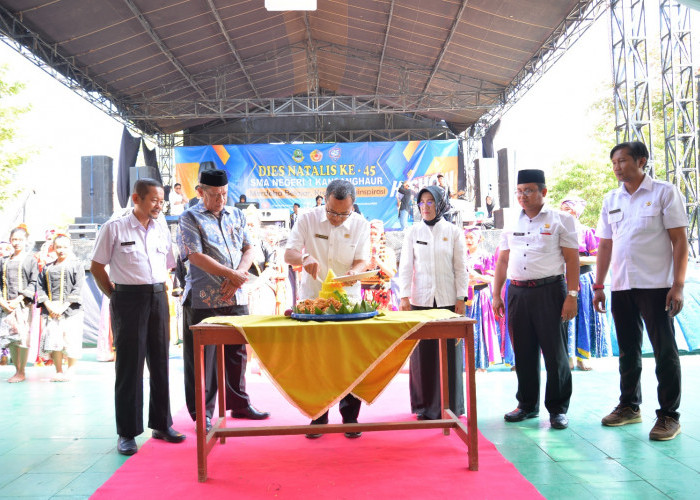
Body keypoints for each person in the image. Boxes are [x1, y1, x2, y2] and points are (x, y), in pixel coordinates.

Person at [594, 141, 688, 441]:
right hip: (622, 286)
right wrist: (599, 285)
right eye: (614, 163)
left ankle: (669, 415)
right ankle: (629, 406)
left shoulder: (664, 192)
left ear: (641, 161)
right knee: (627, 351)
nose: (617, 167)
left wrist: (678, 285)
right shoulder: (611, 199)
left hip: (657, 286)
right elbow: (606, 245)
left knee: (664, 351)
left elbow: (679, 241)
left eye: (622, 161)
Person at [90, 178, 185, 456]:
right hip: (127, 299)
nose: (159, 205)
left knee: (160, 363)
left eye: (162, 200)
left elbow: (167, 265)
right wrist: (114, 296)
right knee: (129, 367)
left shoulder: (161, 229)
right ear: (137, 198)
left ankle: (162, 424)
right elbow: (97, 266)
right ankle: (127, 433)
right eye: (154, 199)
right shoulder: (114, 228)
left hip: (157, 297)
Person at [179, 169, 270, 435]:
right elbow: (194, 255)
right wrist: (230, 274)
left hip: (237, 294)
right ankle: (202, 414)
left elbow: (249, 248)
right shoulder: (189, 217)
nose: (220, 199)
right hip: (203, 299)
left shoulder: (237, 214)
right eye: (214, 195)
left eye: (224, 194)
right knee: (202, 359)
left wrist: (239, 275)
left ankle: (239, 404)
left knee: (237, 353)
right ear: (200, 192)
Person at [492, 169, 579, 430]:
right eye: (519, 191)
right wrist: (497, 294)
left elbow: (572, 259)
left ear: (543, 192)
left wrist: (572, 296)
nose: (523, 196)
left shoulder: (561, 219)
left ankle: (558, 409)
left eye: (529, 190)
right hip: (517, 292)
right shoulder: (511, 221)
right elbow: (503, 259)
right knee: (524, 352)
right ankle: (527, 405)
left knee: (556, 353)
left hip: (550, 291)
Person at [284, 179, 370, 438]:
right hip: (314, 302)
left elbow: (363, 259)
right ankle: (318, 416)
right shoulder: (308, 219)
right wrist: (305, 258)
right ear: (325, 201)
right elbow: (289, 253)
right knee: (317, 360)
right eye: (332, 212)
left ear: (353, 207)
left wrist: (356, 271)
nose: (337, 218)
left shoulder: (360, 224)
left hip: (348, 302)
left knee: (350, 360)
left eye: (344, 213)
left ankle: (350, 417)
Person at [398, 186, 468, 421]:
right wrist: (404, 296)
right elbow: (406, 266)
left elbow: (460, 268)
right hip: (420, 300)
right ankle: (425, 407)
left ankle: (452, 406)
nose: (425, 207)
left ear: (440, 204)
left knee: (450, 354)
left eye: (430, 202)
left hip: (448, 302)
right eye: (422, 203)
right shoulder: (412, 232)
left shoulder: (453, 232)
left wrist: (461, 297)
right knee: (423, 357)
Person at [560, 194, 609, 371]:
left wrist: (577, 260)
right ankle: (568, 355)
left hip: (583, 278)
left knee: (584, 316)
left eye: (566, 209)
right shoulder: (557, 231)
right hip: (563, 278)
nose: (562, 212)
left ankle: (583, 356)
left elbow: (597, 257)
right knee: (565, 317)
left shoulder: (586, 232)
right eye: (561, 209)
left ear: (575, 212)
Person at [37, 234, 84, 381]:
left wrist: (62, 307)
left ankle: (70, 370)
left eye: (64, 247)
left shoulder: (77, 265)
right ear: (53, 248)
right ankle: (58, 370)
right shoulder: (47, 268)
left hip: (70, 310)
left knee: (71, 340)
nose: (61, 250)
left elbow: (77, 288)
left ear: (70, 247)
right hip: (52, 311)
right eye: (58, 247)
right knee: (54, 340)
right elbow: (41, 289)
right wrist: (50, 307)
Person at [0, 225, 38, 383]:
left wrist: (18, 300)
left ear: (26, 241)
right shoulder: (3, 261)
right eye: (14, 239)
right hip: (6, 307)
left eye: (20, 240)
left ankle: (22, 371)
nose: (16, 242)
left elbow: (34, 282)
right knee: (12, 340)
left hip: (22, 306)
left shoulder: (30, 260)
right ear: (10, 240)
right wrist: (2, 302)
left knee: (22, 338)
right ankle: (17, 369)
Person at [464, 225, 501, 371]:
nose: (468, 240)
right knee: (466, 329)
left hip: (480, 296)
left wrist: (478, 277)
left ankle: (481, 363)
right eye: (466, 237)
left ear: (479, 239)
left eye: (471, 237)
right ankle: (467, 363)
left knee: (480, 328)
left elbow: (492, 278)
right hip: (466, 296)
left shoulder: (485, 256)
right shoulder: (461, 256)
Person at [364, 219, 397, 310]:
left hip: (383, 294)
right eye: (370, 234)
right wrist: (367, 266)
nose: (372, 237)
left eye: (375, 234)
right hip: (366, 295)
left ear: (381, 235)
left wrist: (379, 262)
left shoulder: (388, 252)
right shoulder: (362, 252)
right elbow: (356, 274)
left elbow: (391, 274)